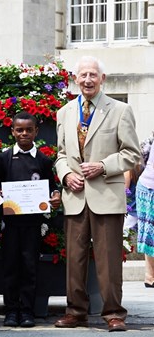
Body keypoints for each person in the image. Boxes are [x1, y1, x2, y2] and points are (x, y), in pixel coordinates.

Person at [54, 56, 140, 332]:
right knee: (75, 260)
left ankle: (114, 313)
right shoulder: (65, 112)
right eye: (83, 75)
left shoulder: (120, 110)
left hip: (107, 197)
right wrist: (66, 174)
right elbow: (60, 155)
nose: (88, 80)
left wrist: (103, 166)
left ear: (102, 79)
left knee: (109, 261)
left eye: (93, 75)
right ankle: (76, 311)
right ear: (75, 79)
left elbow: (131, 154)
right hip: (75, 197)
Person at [0, 112, 61, 328]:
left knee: (30, 266)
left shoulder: (43, 160)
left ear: (36, 132)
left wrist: (56, 197)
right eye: (19, 130)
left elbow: (52, 187)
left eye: (28, 130)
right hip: (10, 224)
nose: (24, 134)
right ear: (12, 131)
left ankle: (27, 311)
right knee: (11, 267)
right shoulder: (3, 159)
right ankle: (11, 311)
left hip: (33, 224)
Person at [136, 133, 154, 288]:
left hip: (145, 186)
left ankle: (150, 275)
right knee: (148, 231)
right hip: (147, 189)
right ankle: (149, 276)